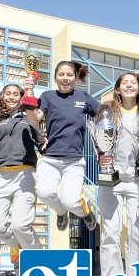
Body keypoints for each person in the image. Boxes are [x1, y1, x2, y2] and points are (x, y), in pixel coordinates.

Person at [97, 73, 139, 276]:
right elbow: (99, 144)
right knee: (109, 232)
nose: (129, 85)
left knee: (137, 236)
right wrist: (101, 156)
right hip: (111, 179)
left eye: (134, 82)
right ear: (117, 88)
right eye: (124, 82)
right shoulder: (106, 112)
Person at [0, 84, 45, 276]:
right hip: (0, 175)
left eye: (15, 94)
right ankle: (15, 244)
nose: (11, 97)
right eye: (8, 94)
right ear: (2, 96)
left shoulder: (29, 118)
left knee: (20, 225)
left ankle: (40, 262)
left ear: (21, 97)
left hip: (23, 175)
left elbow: (41, 141)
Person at [32, 61, 99, 232]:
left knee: (71, 201)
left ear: (75, 78)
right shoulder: (47, 96)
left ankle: (86, 212)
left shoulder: (83, 98)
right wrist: (28, 98)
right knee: (44, 193)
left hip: (74, 160)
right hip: (50, 158)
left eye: (69, 75)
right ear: (55, 77)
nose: (65, 78)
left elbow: (103, 115)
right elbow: (35, 119)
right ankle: (61, 212)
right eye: (61, 74)